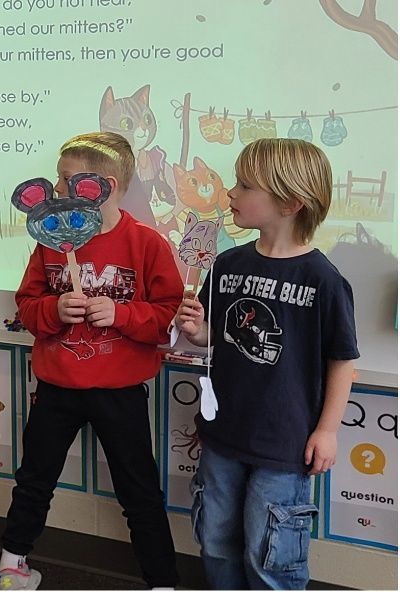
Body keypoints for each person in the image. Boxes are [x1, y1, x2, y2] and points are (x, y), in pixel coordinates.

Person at [0, 132, 180, 591]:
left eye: (67, 181)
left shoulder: (147, 243)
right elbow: (28, 304)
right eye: (58, 182)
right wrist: (53, 311)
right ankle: (12, 564)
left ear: (109, 185)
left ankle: (162, 581)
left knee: (138, 491)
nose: (58, 192)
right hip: (58, 387)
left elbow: (166, 317)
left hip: (119, 392)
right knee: (34, 479)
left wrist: (122, 314)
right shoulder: (50, 242)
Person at [174, 138, 358, 589]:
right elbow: (217, 336)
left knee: (269, 556)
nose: (231, 194)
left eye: (244, 185)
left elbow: (342, 360)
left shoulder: (323, 279)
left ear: (291, 202)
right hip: (223, 435)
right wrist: (198, 330)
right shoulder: (229, 262)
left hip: (284, 446)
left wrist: (328, 430)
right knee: (215, 540)